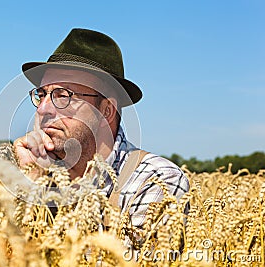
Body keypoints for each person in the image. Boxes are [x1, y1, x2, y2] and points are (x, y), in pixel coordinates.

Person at [14, 28, 189, 229]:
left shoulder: (155, 180)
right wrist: (30, 189)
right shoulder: (30, 170)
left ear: (106, 110)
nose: (43, 109)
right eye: (41, 94)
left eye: (62, 95)